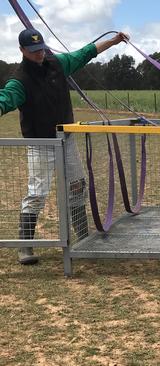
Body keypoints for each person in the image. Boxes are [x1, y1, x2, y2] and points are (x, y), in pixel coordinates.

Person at [0, 28, 129, 265]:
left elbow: (85, 52)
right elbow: (5, 100)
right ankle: (25, 246)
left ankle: (83, 237)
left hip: (66, 140)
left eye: (41, 49)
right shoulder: (19, 80)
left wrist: (113, 41)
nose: (39, 55)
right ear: (22, 51)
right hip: (40, 144)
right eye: (33, 51)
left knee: (77, 187)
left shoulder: (58, 63)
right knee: (37, 194)